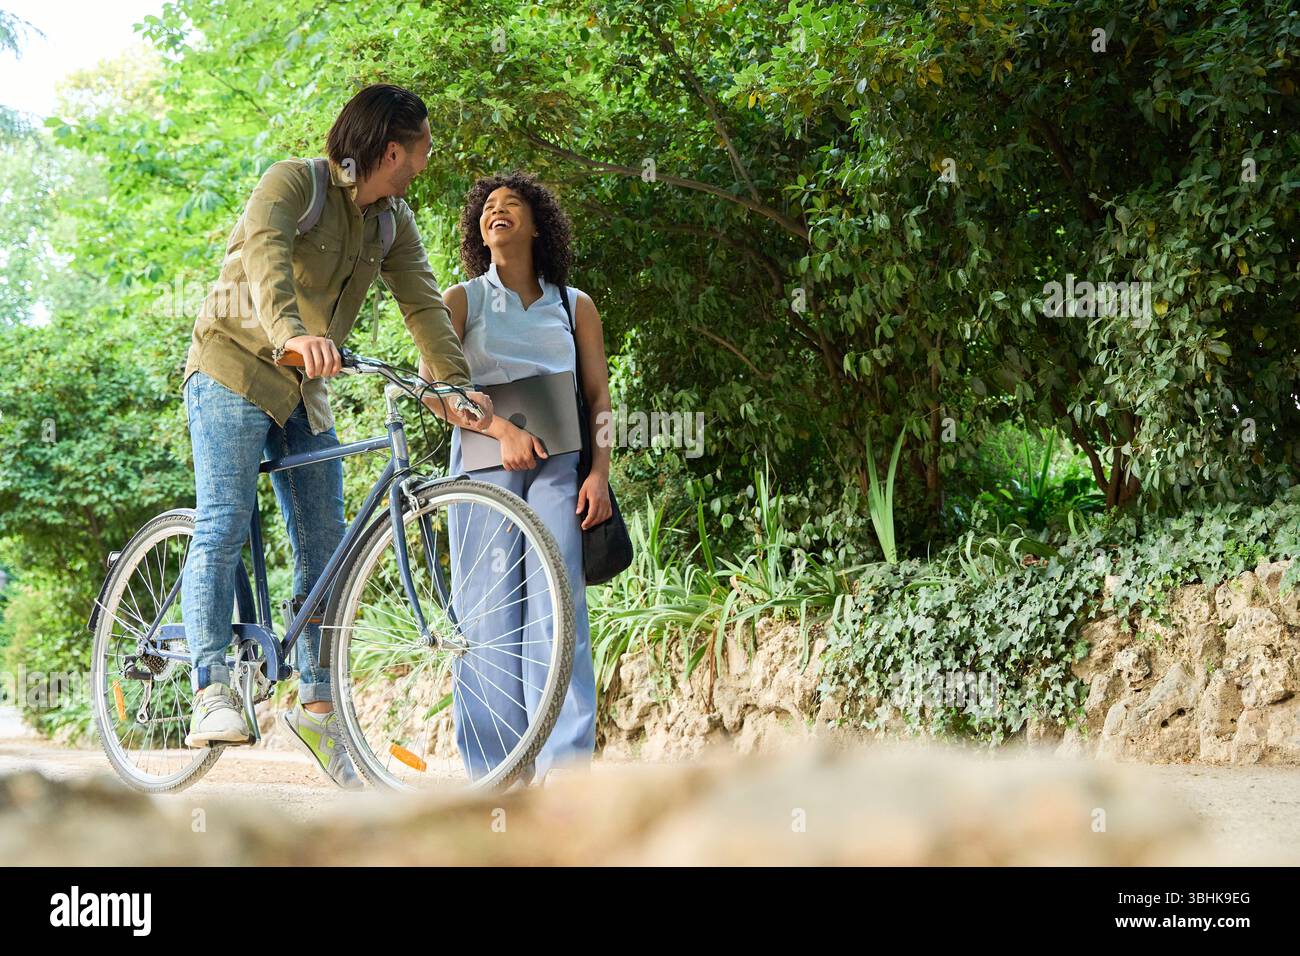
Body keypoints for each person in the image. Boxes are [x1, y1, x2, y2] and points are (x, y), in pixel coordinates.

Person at [178, 84, 494, 789]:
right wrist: (291, 333)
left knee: (328, 548)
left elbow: (422, 301)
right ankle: (210, 687)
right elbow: (265, 256)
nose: (424, 163)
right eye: (422, 151)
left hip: (302, 389)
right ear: (391, 150)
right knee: (225, 517)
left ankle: (316, 706)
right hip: (232, 363)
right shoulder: (296, 183)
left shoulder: (392, 223)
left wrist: (452, 386)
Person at [442, 171, 612, 788]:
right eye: (488, 207)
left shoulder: (574, 305)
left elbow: (597, 394)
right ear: (479, 232)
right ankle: (496, 775)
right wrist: (499, 430)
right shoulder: (462, 300)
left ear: (538, 225)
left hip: (562, 463)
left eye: (511, 204)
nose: (497, 210)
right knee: (486, 616)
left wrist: (600, 472)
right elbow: (436, 389)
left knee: (556, 610)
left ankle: (564, 772)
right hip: (483, 463)